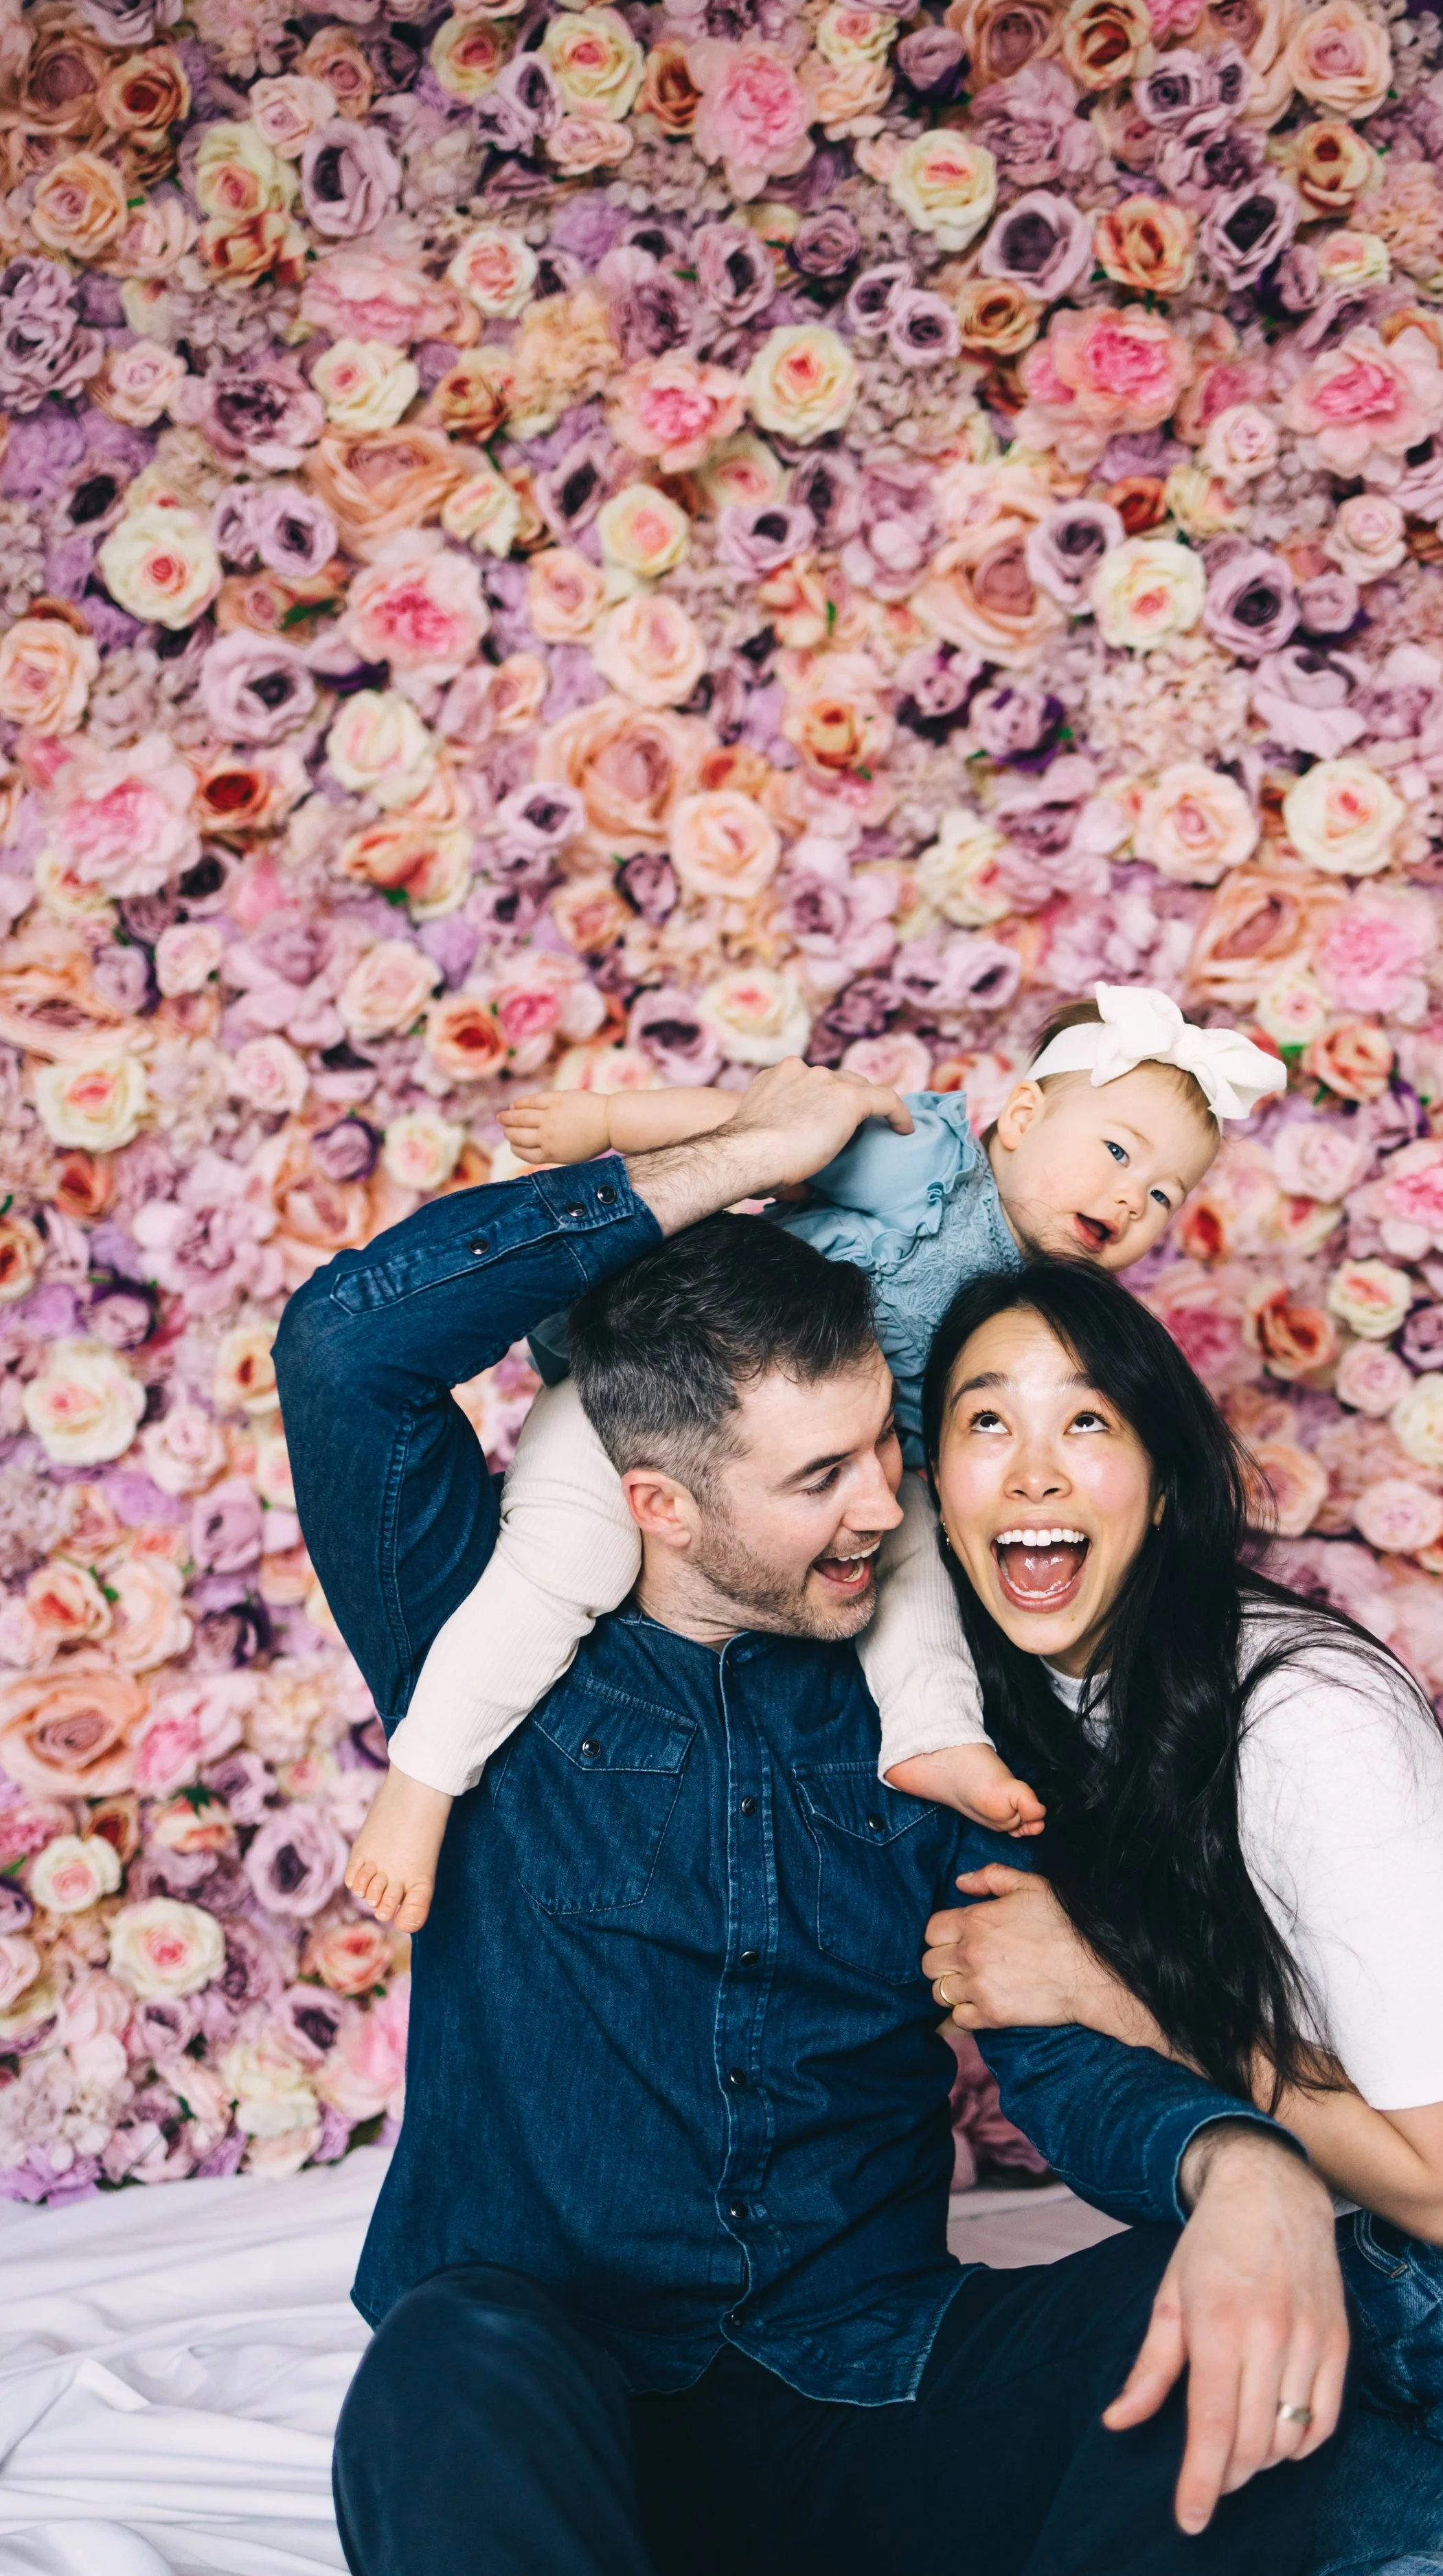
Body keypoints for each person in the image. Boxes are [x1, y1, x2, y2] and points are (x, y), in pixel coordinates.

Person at [273, 1059, 1348, 2576]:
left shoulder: (935, 1718)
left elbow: (1049, 2043)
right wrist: (736, 1155)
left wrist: (1236, 2165)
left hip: (862, 2370)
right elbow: (343, 1349)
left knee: (1234, 2314)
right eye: (820, 1477)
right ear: (659, 1502)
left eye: (884, 1448)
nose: (886, 1508)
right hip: (560, 2382)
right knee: (439, 2371)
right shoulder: (473, 1633)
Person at [913, 1260, 1443, 2576]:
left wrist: (1115, 1993)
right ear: (936, 1500)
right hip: (1304, 2304)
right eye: (986, 1421)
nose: (1033, 1471)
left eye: (1088, 1422)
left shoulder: (1303, 1710)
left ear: (1163, 1486)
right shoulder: (978, 1732)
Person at [343, 985, 1287, 1932]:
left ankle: (935, 1735)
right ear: (1026, 1113)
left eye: (1164, 1193)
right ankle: (422, 1781)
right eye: (1119, 1152)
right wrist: (606, 1120)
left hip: (854, 1468)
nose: (1132, 1197)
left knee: (917, 1570)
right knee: (565, 1564)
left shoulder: (1046, 1300)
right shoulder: (929, 1159)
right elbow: (755, 1125)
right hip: (660, 1395)